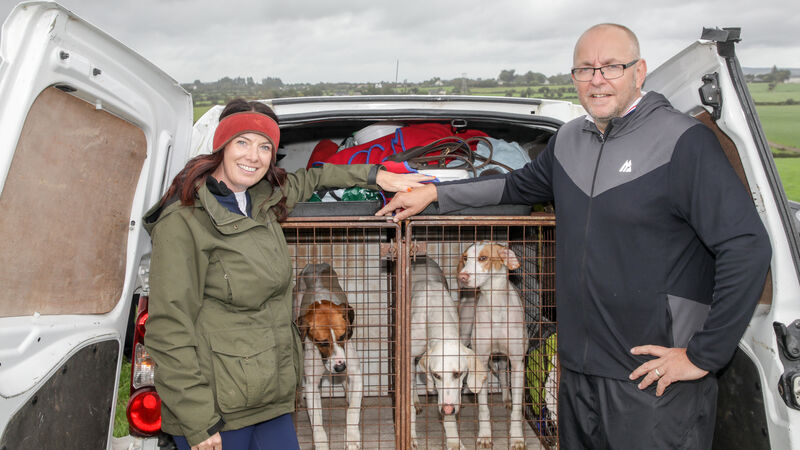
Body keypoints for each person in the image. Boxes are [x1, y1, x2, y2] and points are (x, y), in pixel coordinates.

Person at [377, 24, 772, 449]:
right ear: (574, 78)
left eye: (611, 67)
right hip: (578, 370)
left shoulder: (682, 141)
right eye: (585, 69)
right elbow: (514, 186)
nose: (597, 79)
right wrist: (436, 193)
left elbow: (746, 245)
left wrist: (703, 355)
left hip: (653, 376)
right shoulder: (568, 140)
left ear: (639, 71)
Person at [143, 99, 432, 450]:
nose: (253, 156)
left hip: (270, 397)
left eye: (265, 147)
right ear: (221, 146)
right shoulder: (184, 221)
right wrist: (197, 421)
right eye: (242, 142)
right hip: (217, 407)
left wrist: (377, 176)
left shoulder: (262, 199)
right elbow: (169, 329)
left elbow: (315, 177)